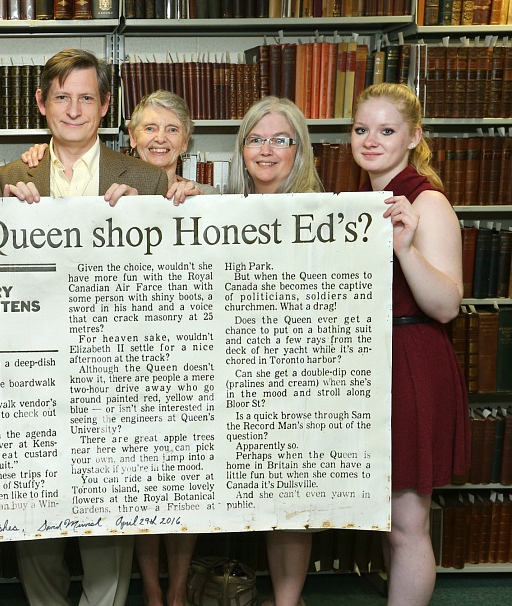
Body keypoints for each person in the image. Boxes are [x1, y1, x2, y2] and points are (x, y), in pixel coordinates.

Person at [0, 48, 167, 606]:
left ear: (105, 105)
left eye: (86, 97)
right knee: (37, 527)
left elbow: (180, 270)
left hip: (113, 377)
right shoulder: (8, 178)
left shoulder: (146, 177)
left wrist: (167, 209)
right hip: (33, 377)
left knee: (106, 523)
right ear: (42, 103)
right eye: (62, 96)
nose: (74, 109)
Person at [351, 83, 469, 606]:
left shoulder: (427, 199)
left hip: (412, 359)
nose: (370, 140)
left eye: (386, 130)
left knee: (406, 522)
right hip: (372, 357)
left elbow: (446, 304)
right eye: (361, 130)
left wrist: (404, 248)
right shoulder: (364, 197)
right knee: (385, 520)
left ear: (413, 136)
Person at [226, 96, 323, 606]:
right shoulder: (226, 209)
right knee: (269, 488)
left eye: (280, 140)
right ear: (241, 149)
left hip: (299, 370)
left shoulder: (323, 213)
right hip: (244, 370)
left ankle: (288, 600)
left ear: (299, 150)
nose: (266, 150)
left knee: (295, 492)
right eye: (255, 139)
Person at [20, 89, 215, 206]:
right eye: (149, 128)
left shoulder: (207, 196)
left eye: (172, 130)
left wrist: (197, 206)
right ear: (132, 137)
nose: (160, 138)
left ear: (184, 142)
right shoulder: (103, 184)